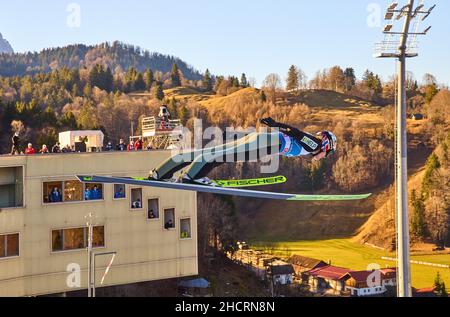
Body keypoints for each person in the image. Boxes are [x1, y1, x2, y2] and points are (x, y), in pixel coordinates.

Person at [148, 117, 337, 183]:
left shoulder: (313, 146)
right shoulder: (317, 144)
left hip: (262, 141)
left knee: (212, 154)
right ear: (326, 146)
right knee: (218, 156)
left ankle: (161, 173)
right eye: (327, 154)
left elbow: (294, 134)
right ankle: (191, 177)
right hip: (266, 144)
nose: (323, 157)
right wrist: (276, 124)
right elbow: (295, 132)